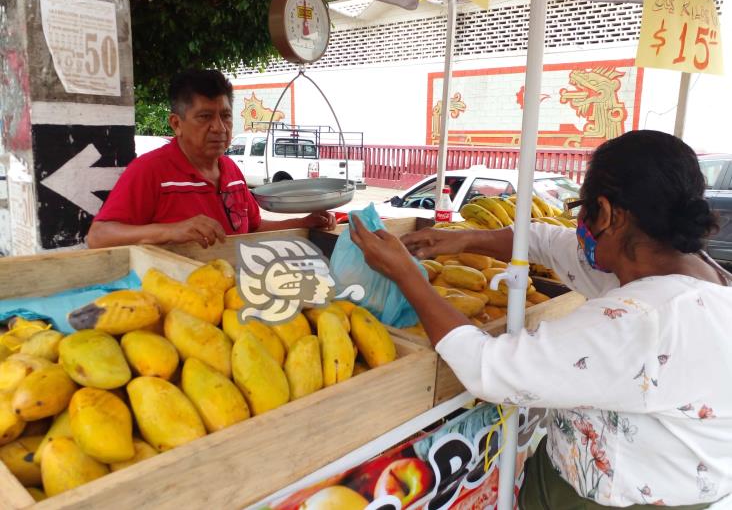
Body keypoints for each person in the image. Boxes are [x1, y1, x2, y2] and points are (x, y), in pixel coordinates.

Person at [350, 130, 731, 509]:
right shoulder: (685, 271)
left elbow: (488, 366)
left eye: (583, 208)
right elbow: (544, 241)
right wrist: (464, 240)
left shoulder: (643, 320)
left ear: (609, 213)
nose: (580, 225)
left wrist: (408, 277)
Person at [86, 69, 335, 249]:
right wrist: (171, 231)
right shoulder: (150, 171)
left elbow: (252, 227)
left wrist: (303, 222)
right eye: (205, 117)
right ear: (177, 124)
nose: (219, 128)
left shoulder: (232, 172)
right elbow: (99, 236)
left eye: (225, 116)